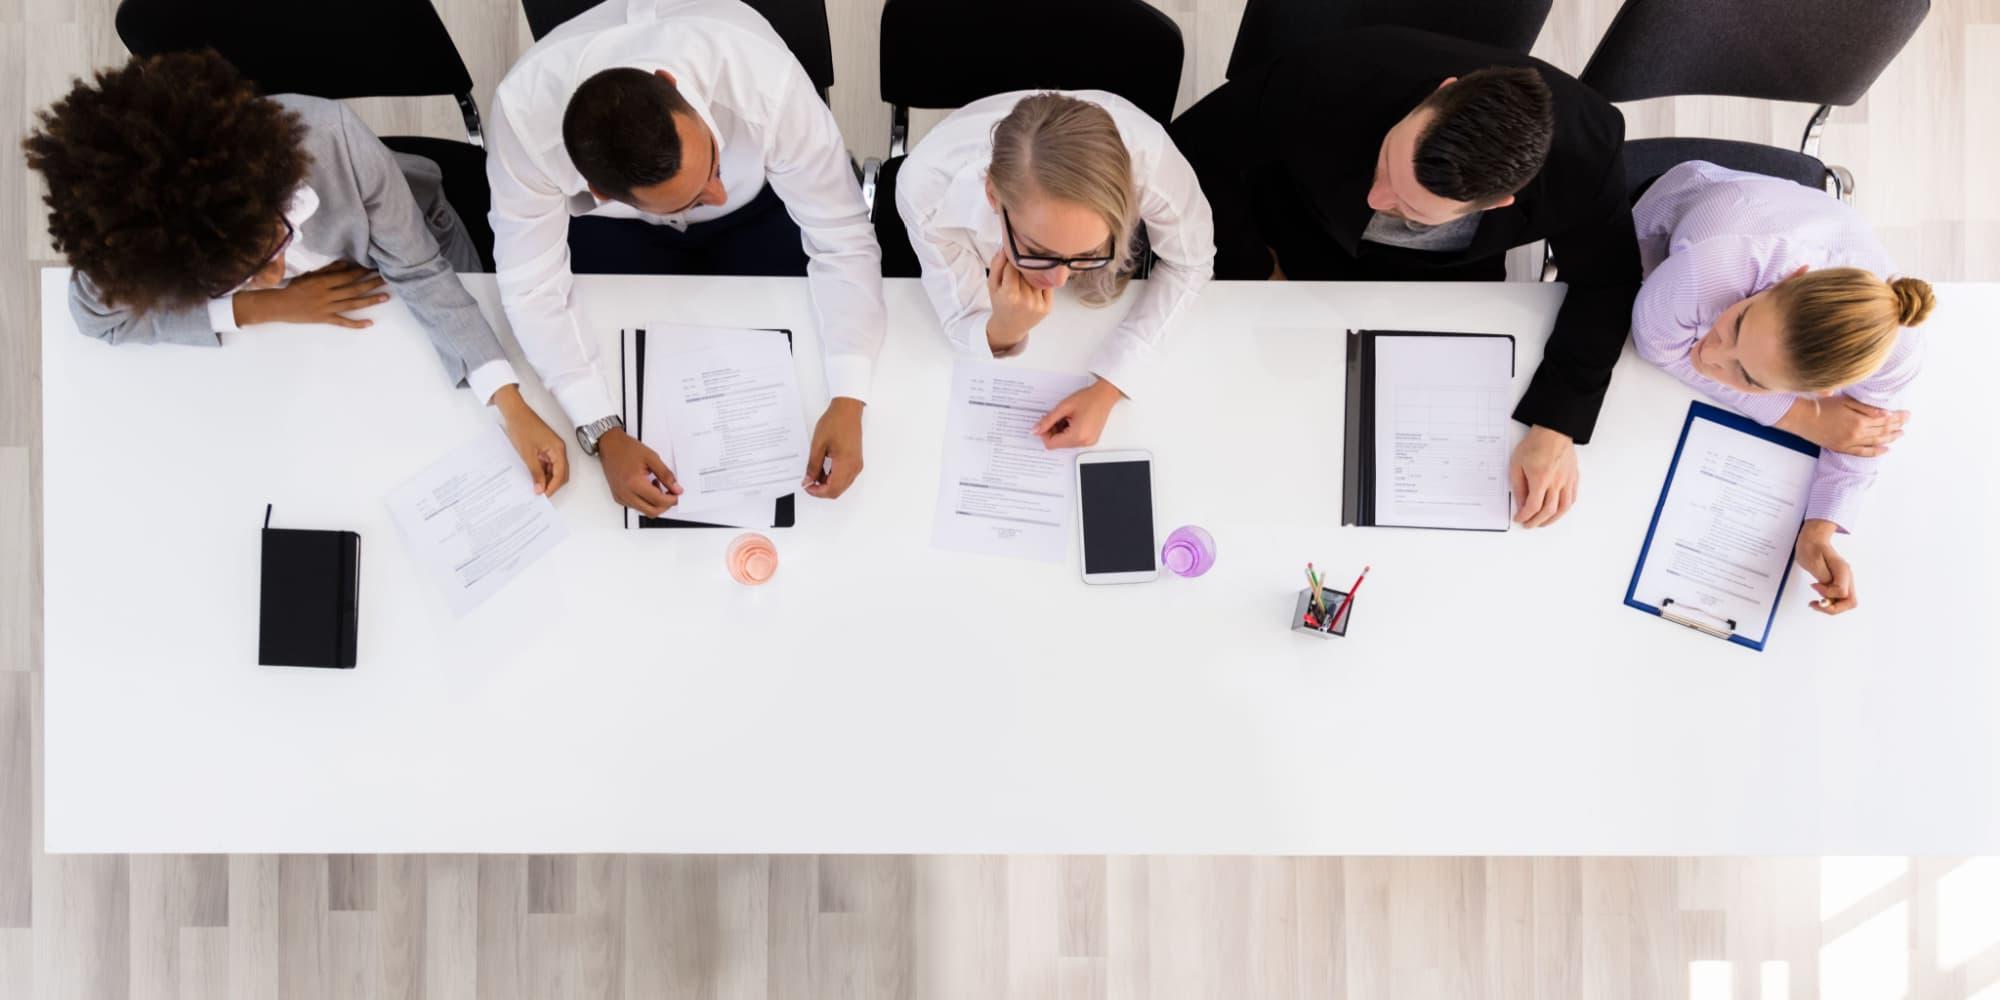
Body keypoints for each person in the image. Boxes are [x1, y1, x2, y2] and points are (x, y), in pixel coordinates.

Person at [22, 51, 570, 494]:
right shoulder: (137, 251)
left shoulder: (332, 140)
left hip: (407, 246)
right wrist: (260, 306)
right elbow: (93, 316)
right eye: (239, 274)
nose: (278, 272)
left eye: (276, 241)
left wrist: (510, 402)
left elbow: (423, 272)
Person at [1172, 26, 1642, 528]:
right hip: (1300, 239)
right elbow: (1192, 155)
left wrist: (1557, 423)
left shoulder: (1588, 156)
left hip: (1449, 281)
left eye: (1410, 206)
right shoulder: (1326, 75)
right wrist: (1257, 268)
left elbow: (1608, 280)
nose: (1377, 200)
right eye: (1388, 164)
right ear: (1440, 94)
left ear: (1499, 202)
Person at [487, 0, 884, 516]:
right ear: (599, 191)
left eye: (713, 159)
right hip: (618, 236)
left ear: (673, 84)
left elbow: (842, 236)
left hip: (762, 208)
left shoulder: (761, 76)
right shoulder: (522, 120)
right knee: (619, 357)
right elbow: (531, 287)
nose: (714, 193)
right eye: (695, 196)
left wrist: (849, 397)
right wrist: (602, 427)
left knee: (802, 359)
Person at [1630, 160, 1935, 617]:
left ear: (1830, 387)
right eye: (1736, 323)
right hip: (1669, 212)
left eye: (1749, 376)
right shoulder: (1713, 269)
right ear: (1790, 279)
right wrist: (1802, 418)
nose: (1710, 356)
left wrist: (1818, 532)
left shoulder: (1895, 350)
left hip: (1803, 221)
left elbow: (1860, 435)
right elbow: (1659, 346)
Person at [895, 90, 1215, 448]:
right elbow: (959, 318)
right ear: (993, 197)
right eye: (1037, 251)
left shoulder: (1150, 160)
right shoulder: (927, 189)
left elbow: (1193, 260)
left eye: (1089, 252)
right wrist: (1004, 329)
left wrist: (1109, 388)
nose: (1058, 280)